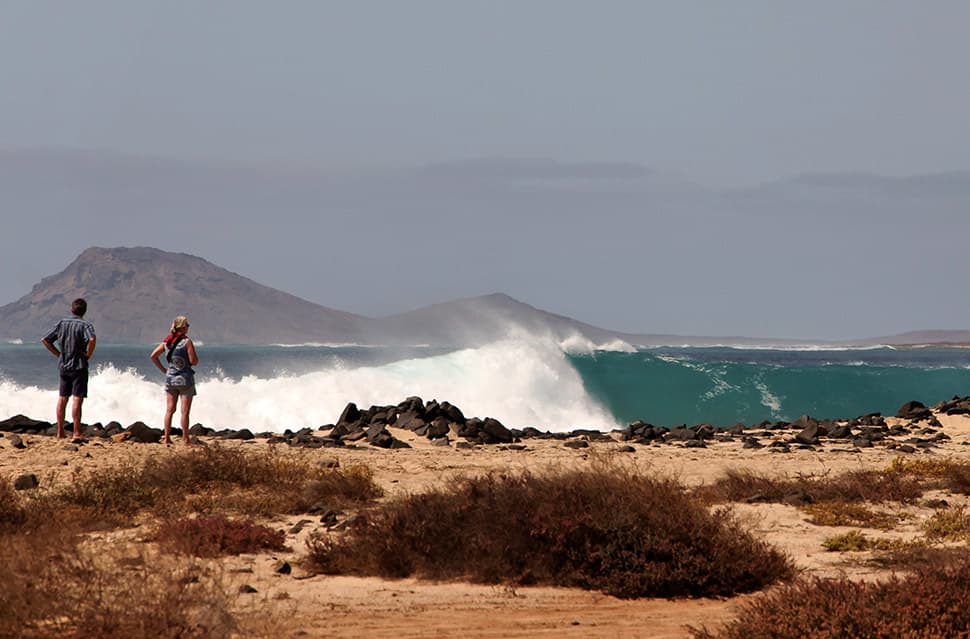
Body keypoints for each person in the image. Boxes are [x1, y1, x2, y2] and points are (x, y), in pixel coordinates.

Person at [41, 298, 97, 440]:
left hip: (64, 366)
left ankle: (60, 432)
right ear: (84, 311)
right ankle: (76, 432)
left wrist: (58, 354)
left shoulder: (61, 323)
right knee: (77, 399)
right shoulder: (85, 325)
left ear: (72, 309)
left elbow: (45, 340)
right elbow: (92, 339)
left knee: (62, 398)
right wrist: (89, 354)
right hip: (79, 365)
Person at [150, 315, 199, 445]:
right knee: (185, 411)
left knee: (169, 410)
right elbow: (193, 361)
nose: (188, 327)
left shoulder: (167, 342)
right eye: (187, 325)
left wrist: (164, 370)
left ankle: (166, 437)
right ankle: (185, 438)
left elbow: (153, 356)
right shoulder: (187, 342)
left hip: (170, 379)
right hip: (185, 379)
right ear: (182, 327)